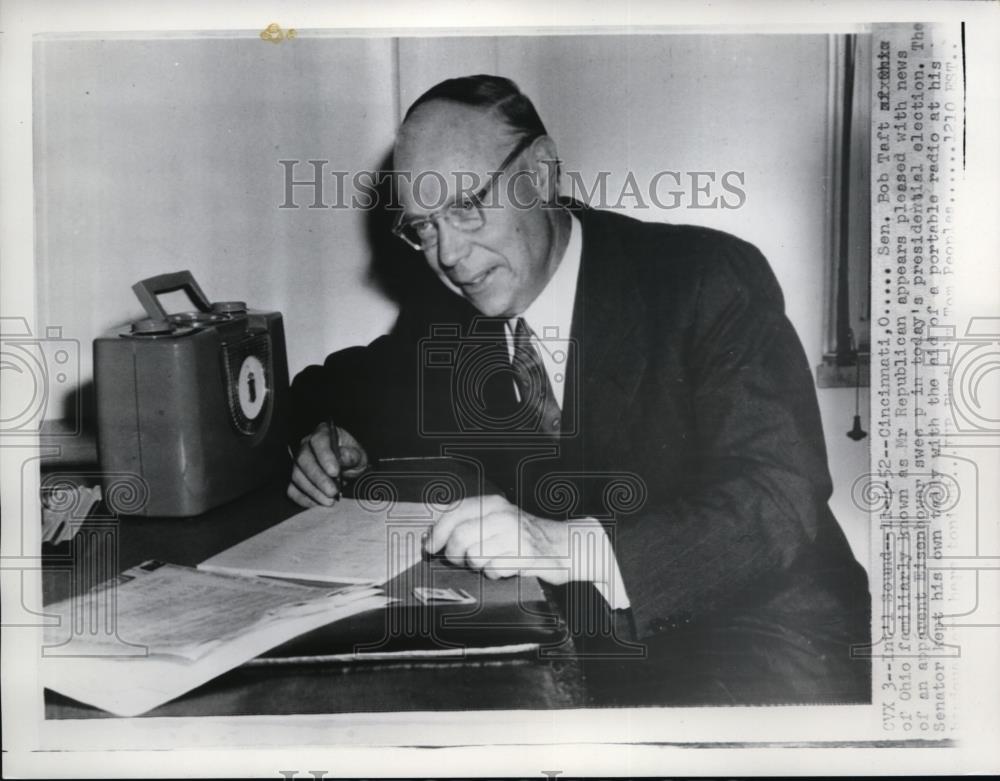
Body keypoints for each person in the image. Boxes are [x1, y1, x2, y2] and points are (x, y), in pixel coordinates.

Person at [288, 75, 871, 705]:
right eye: (423, 227)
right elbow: (346, 385)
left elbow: (777, 498)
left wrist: (565, 544)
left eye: (464, 207)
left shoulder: (701, 279)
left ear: (539, 174)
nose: (448, 255)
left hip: (760, 640)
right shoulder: (453, 319)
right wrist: (329, 435)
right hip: (588, 646)